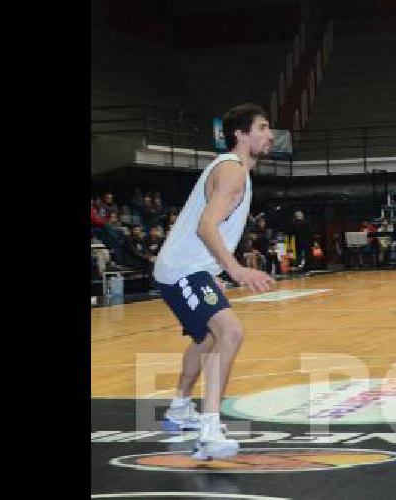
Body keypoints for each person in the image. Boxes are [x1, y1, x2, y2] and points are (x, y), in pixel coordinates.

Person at [152, 103, 276, 459]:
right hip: (183, 269)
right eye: (263, 127)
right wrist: (235, 270)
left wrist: (213, 272)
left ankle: (179, 411)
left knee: (207, 338)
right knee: (231, 332)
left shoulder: (236, 171)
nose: (269, 135)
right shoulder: (232, 171)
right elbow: (206, 226)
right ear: (240, 134)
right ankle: (209, 431)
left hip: (189, 268)